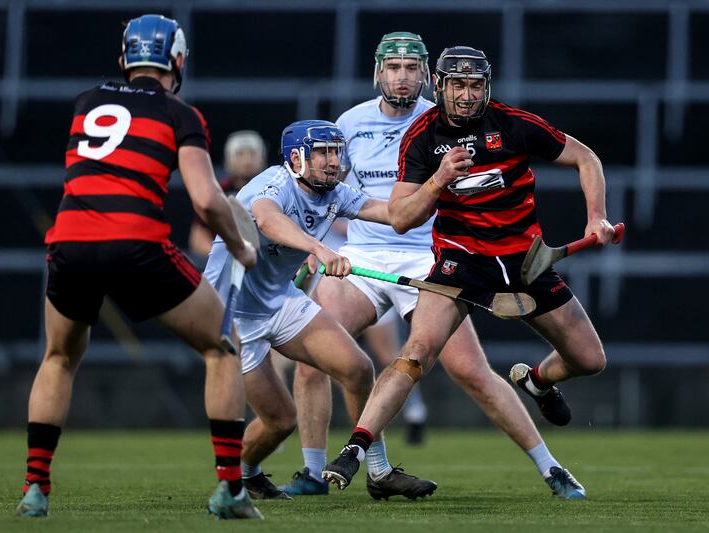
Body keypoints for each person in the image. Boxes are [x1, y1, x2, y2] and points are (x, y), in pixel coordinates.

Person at [283, 34, 585, 501]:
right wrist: (314, 245)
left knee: (472, 373)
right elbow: (324, 191)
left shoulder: (441, 121)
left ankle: (551, 468)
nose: (401, 76)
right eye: (393, 67)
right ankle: (319, 472)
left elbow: (413, 216)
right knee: (315, 357)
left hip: (430, 256)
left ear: (427, 75)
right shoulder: (349, 123)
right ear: (377, 72)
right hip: (362, 257)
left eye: (410, 67)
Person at [14, 15, 262, 520]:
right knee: (221, 348)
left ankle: (35, 490)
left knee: (58, 357)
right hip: (134, 244)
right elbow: (207, 199)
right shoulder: (180, 113)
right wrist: (239, 245)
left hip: (69, 244)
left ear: (127, 58)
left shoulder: (86, 102)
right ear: (177, 60)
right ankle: (232, 490)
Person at [203, 119, 436, 501]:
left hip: (281, 300)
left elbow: (396, 215)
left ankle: (378, 471)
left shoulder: (335, 192)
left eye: (335, 152)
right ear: (296, 158)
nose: (332, 161)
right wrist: (319, 249)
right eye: (322, 153)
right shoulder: (273, 184)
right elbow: (268, 219)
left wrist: (437, 184)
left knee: (358, 369)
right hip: (234, 314)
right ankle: (245, 473)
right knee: (280, 420)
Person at [189, 130, 267, 258]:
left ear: (262, 159)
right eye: (240, 154)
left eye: (253, 154)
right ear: (228, 160)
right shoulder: (216, 193)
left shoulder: (274, 191)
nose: (247, 161)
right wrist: (223, 258)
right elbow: (198, 237)